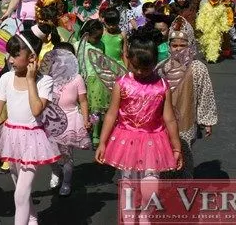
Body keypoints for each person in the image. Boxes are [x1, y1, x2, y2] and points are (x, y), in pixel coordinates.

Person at [0, 32, 60, 225]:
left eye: (15, 55)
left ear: (32, 57)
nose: (10, 59)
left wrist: (32, 81)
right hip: (10, 137)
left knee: (21, 193)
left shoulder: (45, 81)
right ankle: (32, 218)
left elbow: (36, 109)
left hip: (32, 140)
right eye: (9, 54)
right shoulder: (6, 78)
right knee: (19, 189)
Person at [95, 27, 183, 181]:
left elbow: (169, 118)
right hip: (126, 138)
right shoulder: (122, 83)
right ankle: (130, 205)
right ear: (128, 58)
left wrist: (177, 148)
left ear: (155, 63)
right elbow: (111, 114)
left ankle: (148, 205)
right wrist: (102, 142)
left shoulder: (162, 85)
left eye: (146, 69)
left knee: (151, 182)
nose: (140, 72)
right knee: (128, 181)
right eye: (136, 67)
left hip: (154, 139)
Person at [160, 17, 218, 178]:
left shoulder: (198, 68)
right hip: (164, 120)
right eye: (174, 45)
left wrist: (206, 120)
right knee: (164, 152)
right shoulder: (163, 67)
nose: (178, 49)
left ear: (190, 45)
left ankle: (184, 185)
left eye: (182, 45)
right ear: (169, 46)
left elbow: (205, 93)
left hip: (187, 119)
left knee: (184, 153)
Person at [44, 46, 90, 197]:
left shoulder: (77, 78)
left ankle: (67, 181)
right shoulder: (47, 77)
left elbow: (83, 101)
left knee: (67, 154)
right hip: (50, 119)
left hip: (70, 119)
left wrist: (85, 118)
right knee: (49, 152)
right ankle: (56, 171)